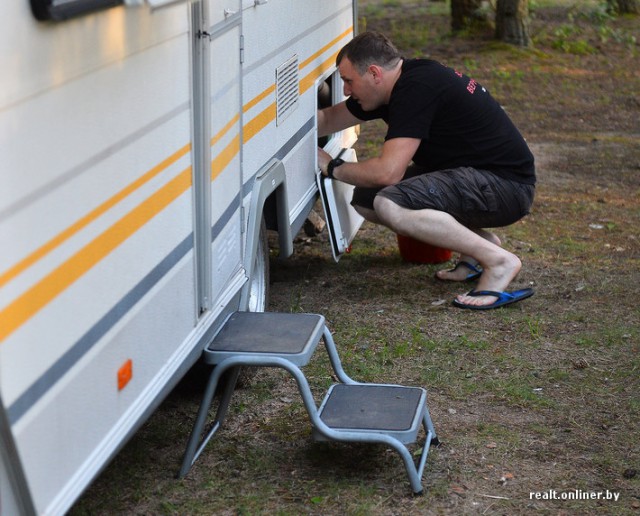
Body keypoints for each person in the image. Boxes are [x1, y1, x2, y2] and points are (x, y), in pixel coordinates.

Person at [317, 31, 535, 310]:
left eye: (349, 81)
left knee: (389, 203)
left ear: (374, 73)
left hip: (506, 187)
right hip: (480, 179)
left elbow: (388, 173)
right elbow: (329, 119)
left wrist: (333, 167)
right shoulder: (396, 84)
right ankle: (481, 246)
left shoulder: (415, 90)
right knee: (367, 198)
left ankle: (499, 261)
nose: (346, 90)